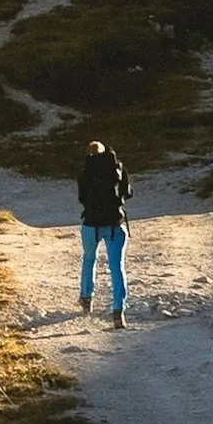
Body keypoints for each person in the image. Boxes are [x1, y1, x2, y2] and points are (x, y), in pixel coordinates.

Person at [77, 139, 131, 327]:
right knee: (117, 267)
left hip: (92, 224)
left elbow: (82, 198)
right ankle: (118, 312)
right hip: (116, 224)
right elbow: (127, 193)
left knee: (90, 258)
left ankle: (86, 298)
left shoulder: (85, 173)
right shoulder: (117, 168)